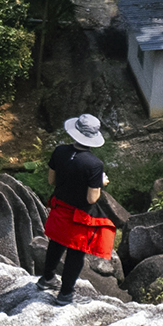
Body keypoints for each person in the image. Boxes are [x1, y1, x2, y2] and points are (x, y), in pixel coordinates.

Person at [39, 114, 115, 291]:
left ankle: (46, 279)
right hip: (79, 215)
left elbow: (52, 180)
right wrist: (100, 183)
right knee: (75, 253)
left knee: (55, 244)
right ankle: (65, 293)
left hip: (59, 208)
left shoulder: (59, 151)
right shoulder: (94, 164)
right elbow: (92, 198)